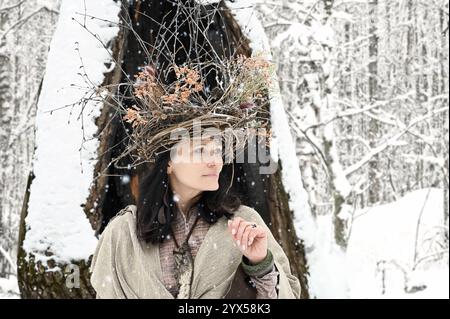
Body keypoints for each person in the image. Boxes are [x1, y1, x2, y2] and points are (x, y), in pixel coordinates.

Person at [89, 134, 301, 299]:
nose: (214, 162)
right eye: (200, 150)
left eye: (217, 151)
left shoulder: (244, 222)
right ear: (169, 162)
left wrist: (260, 263)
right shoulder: (123, 233)